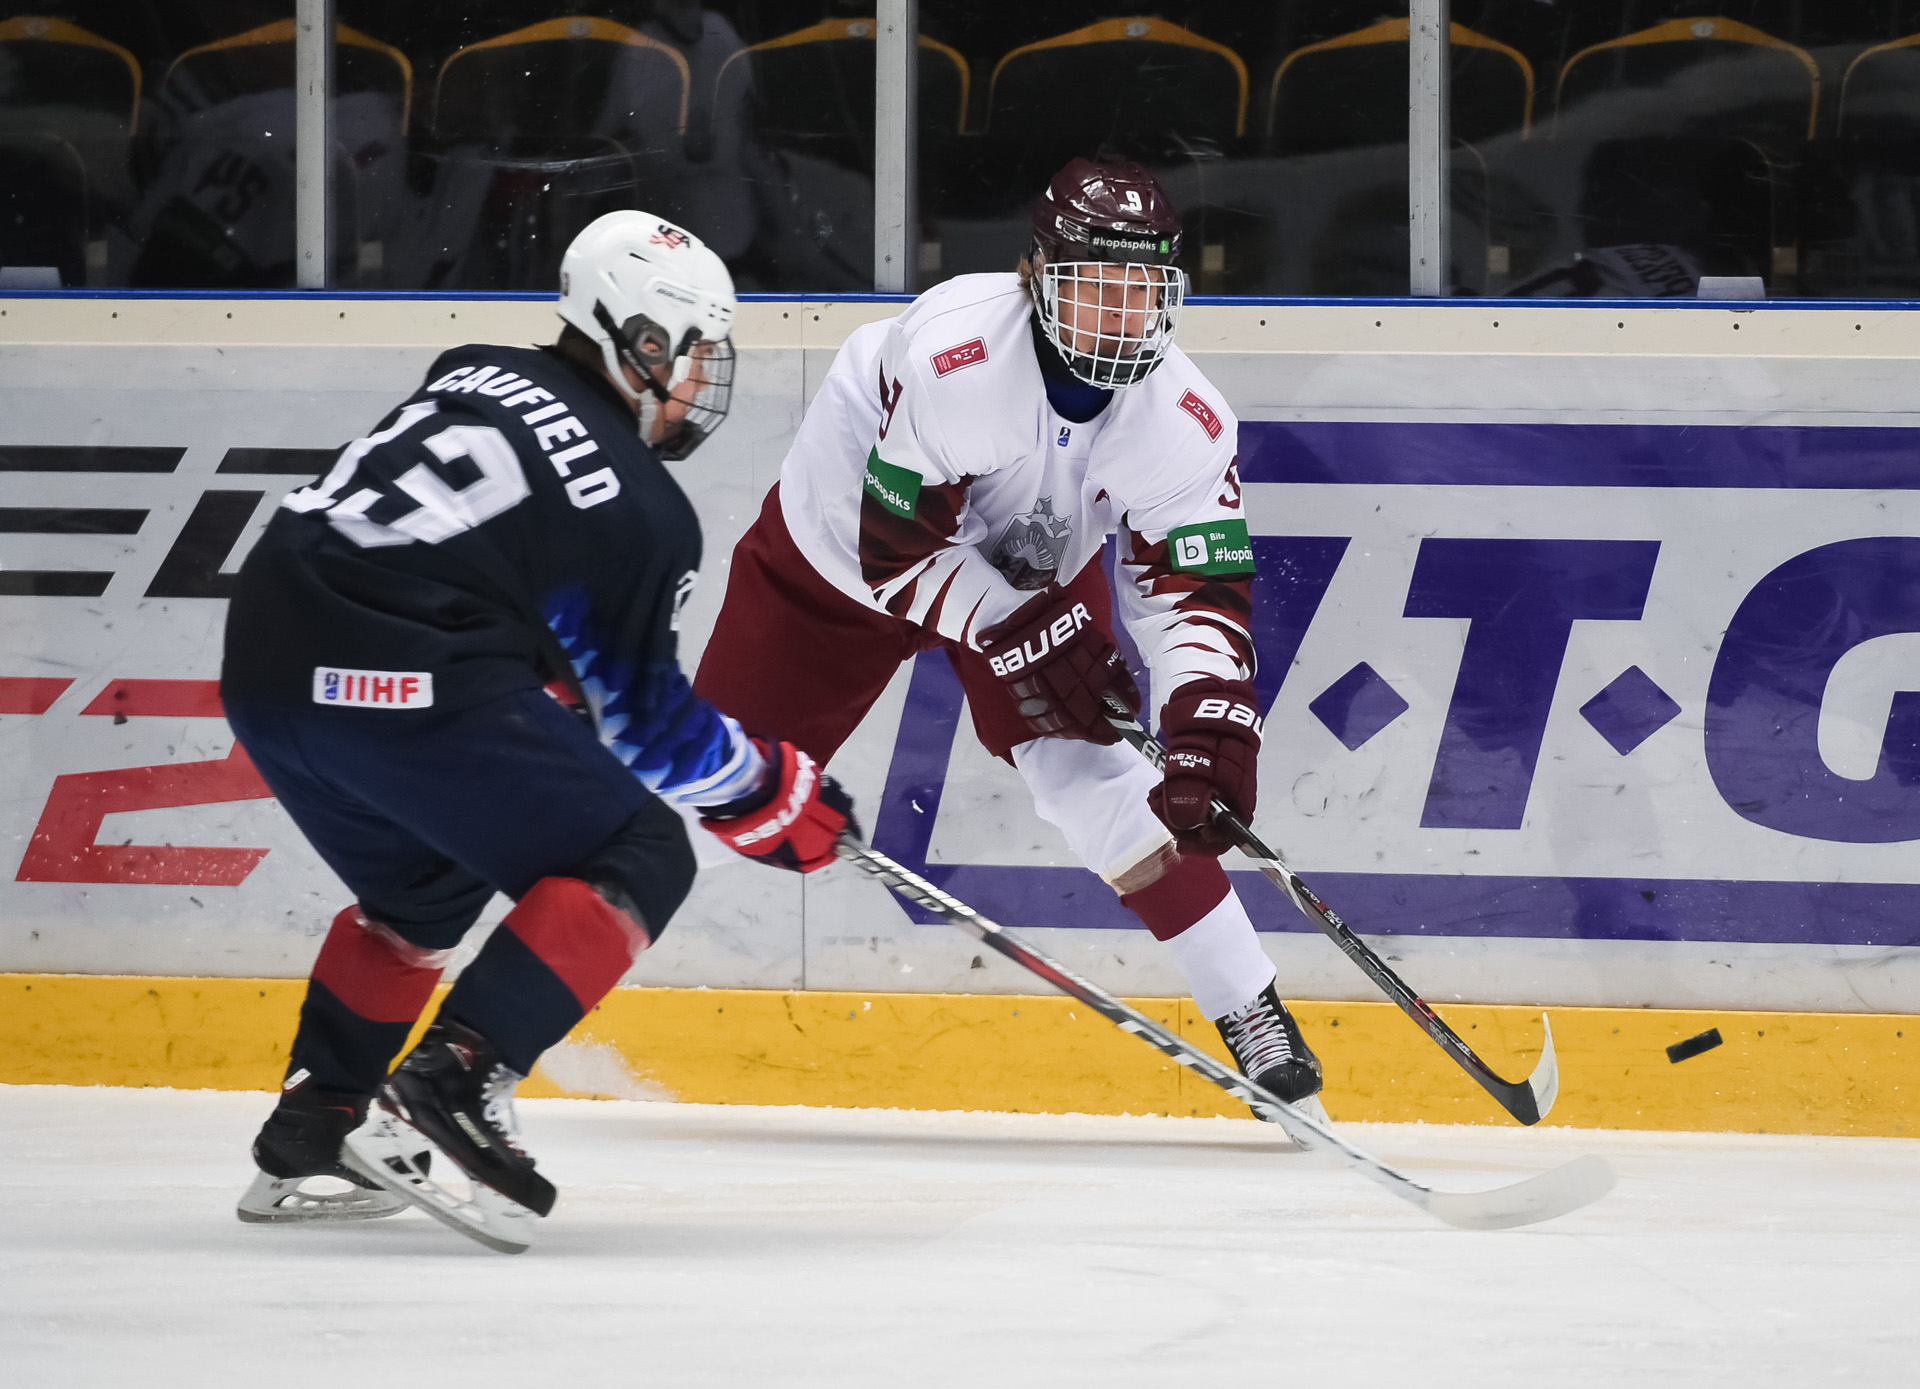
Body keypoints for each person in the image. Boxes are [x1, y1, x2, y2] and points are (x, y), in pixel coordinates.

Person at [221, 210, 857, 1250]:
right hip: (401, 672)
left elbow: (489, 582)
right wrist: (767, 789)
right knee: (641, 850)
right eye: (696, 355)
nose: (702, 384)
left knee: (424, 887)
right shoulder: (641, 509)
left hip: (266, 660)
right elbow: (647, 731)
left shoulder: (471, 372)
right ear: (642, 345)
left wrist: (543, 697)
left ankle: (316, 1124)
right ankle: (456, 1079)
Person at [694, 157, 1324, 1111]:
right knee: (704, 787)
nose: (1118, 317)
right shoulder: (957, 356)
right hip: (838, 562)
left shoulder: (1187, 421)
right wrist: (1022, 628)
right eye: (1093, 288)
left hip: (1032, 561)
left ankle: (1249, 1007)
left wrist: (1210, 707)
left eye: (1139, 291)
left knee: (1102, 775)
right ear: (1036, 277)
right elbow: (899, 550)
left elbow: (1193, 588)